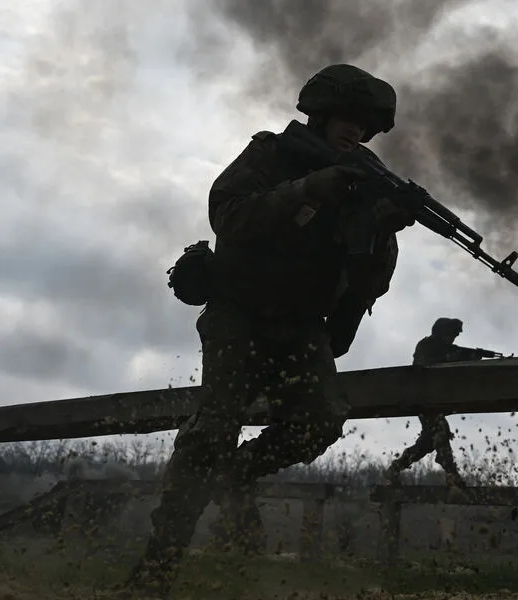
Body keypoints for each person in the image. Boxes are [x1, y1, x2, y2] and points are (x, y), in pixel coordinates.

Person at [120, 64, 414, 598]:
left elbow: (369, 283)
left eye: (365, 125)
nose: (355, 130)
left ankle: (230, 475)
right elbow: (229, 216)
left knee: (321, 421)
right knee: (212, 431)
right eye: (347, 118)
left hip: (302, 326)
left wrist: (378, 228)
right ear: (321, 115)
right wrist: (312, 188)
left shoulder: (368, 183)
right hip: (240, 313)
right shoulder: (272, 155)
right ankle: (157, 566)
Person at [384, 318, 487, 489]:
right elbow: (423, 366)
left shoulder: (445, 348)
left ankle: (395, 468)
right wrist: (451, 358)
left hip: (432, 402)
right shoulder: (426, 346)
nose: (453, 339)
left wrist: (473, 355)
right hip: (424, 402)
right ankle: (452, 477)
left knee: (426, 444)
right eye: (451, 335)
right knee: (441, 433)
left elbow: (456, 355)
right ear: (441, 332)